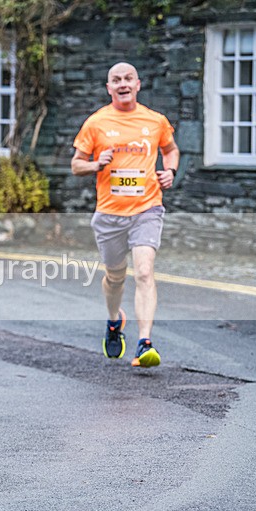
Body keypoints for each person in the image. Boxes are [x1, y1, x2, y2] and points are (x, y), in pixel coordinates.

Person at [71, 62, 180, 368]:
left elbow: (171, 150)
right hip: (109, 213)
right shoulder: (96, 122)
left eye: (127, 78)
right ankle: (113, 320)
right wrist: (96, 164)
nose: (122, 83)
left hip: (147, 208)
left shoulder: (155, 120)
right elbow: (76, 164)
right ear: (109, 88)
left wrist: (170, 171)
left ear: (137, 84)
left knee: (144, 271)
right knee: (115, 277)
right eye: (116, 80)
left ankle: (144, 342)